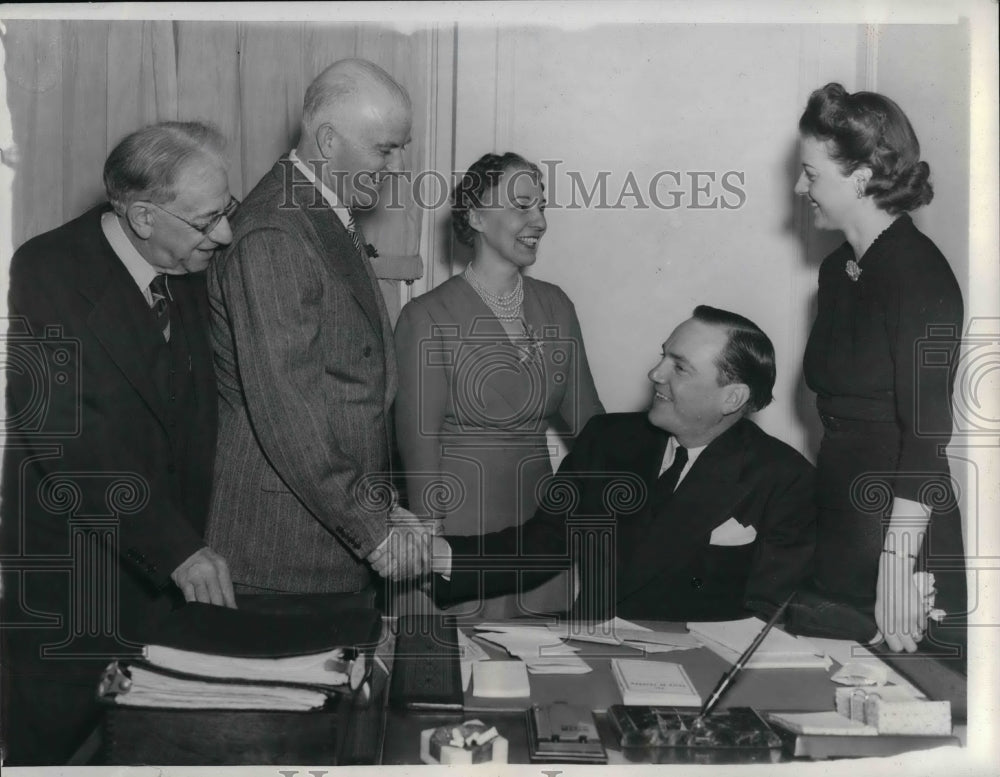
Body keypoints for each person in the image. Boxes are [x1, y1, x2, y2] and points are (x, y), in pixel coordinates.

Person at [1, 121, 236, 765]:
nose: (225, 234)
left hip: (162, 591)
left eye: (227, 210)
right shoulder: (45, 269)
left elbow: (193, 421)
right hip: (70, 591)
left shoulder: (186, 267)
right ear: (141, 215)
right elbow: (70, 442)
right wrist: (178, 550)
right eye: (207, 220)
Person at [385, 307, 815, 622]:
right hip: (590, 653)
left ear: (732, 397)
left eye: (679, 367)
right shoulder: (609, 440)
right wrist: (434, 554)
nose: (655, 373)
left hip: (694, 682)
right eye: (663, 355)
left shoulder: (785, 480)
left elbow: (768, 622)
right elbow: (543, 544)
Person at [205, 59, 428, 597]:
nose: (397, 167)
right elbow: (292, 413)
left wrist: (384, 511)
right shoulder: (275, 234)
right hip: (284, 556)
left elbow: (344, 393)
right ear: (328, 141)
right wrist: (375, 533)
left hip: (326, 539)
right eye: (385, 149)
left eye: (402, 147)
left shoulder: (319, 212)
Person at [793, 83, 966, 659]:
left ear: (862, 177)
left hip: (901, 524)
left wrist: (897, 563)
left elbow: (927, 434)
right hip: (843, 511)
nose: (800, 189)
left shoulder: (921, 276)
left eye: (812, 175)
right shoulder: (839, 269)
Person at [393, 152, 605, 618]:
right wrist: (430, 542)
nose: (540, 221)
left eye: (543, 206)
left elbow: (594, 430)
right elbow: (418, 447)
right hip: (460, 527)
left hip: (538, 530)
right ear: (476, 216)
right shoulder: (426, 316)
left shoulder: (556, 306)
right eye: (523, 205)